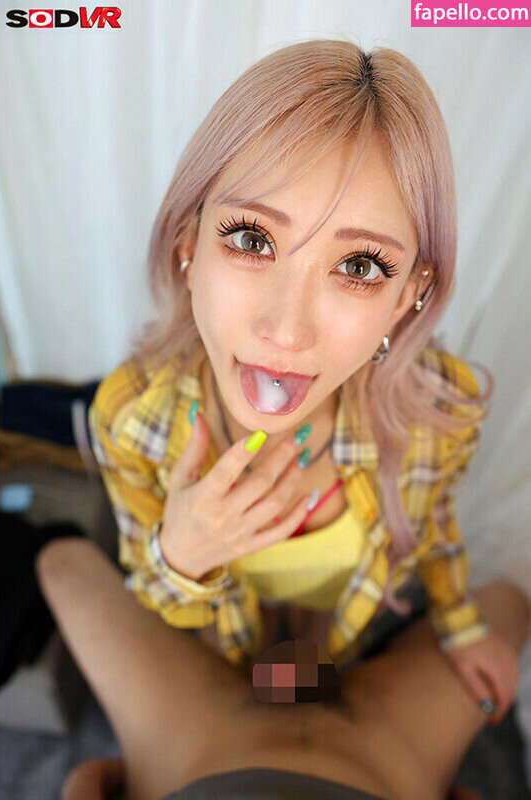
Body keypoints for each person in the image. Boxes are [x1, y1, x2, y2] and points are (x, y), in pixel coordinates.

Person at [87, 38, 514, 722]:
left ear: (408, 294)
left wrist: (462, 626)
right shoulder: (131, 418)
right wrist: (181, 554)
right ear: (188, 243)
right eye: (252, 239)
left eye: (360, 266)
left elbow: (434, 527)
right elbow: (156, 600)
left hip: (351, 645)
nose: (286, 331)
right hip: (215, 657)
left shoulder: (440, 414)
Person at [35, 536, 529, 800]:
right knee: (508, 607)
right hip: (388, 757)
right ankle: (310, 640)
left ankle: (250, 642)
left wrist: (85, 788)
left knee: (62, 564)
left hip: (198, 749)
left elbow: (87, 780)